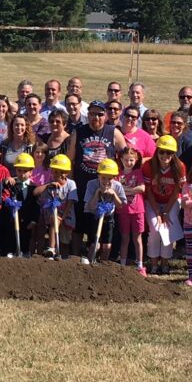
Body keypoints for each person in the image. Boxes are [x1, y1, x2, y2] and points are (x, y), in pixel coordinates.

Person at [71, 100, 126, 257]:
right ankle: (75, 258)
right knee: (80, 225)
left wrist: (117, 182)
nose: (96, 117)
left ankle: (102, 261)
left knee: (104, 227)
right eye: (93, 113)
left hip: (105, 187)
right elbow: (71, 159)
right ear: (87, 115)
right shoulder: (79, 132)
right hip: (82, 185)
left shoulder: (113, 132)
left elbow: (126, 157)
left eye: (100, 114)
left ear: (106, 115)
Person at [143, 134, 186, 275]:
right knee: (155, 228)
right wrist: (157, 212)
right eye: (162, 151)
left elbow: (176, 191)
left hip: (171, 201)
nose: (165, 155)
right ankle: (154, 264)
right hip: (153, 201)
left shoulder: (179, 167)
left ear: (174, 154)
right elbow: (148, 191)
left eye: (169, 152)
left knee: (167, 227)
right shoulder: (148, 166)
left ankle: (165, 263)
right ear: (157, 151)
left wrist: (166, 212)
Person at [82, 158, 126, 264]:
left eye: (109, 179)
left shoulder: (117, 186)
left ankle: (103, 267)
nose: (106, 181)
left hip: (109, 216)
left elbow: (120, 205)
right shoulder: (91, 184)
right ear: (98, 176)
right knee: (95, 245)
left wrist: (114, 194)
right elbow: (91, 207)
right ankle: (89, 263)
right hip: (94, 215)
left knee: (107, 246)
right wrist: (97, 193)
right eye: (103, 178)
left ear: (114, 178)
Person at [34, 154, 77, 260]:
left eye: (60, 172)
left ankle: (64, 257)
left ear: (66, 173)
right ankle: (51, 249)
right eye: (55, 171)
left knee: (65, 241)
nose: (57, 174)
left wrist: (63, 218)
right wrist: (48, 186)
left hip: (67, 216)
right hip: (52, 215)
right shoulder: (50, 184)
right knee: (54, 220)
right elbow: (35, 192)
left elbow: (70, 202)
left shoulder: (71, 184)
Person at [116, 146, 147, 275]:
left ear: (136, 160)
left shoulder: (138, 172)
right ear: (121, 160)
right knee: (124, 237)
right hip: (123, 210)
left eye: (131, 160)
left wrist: (126, 190)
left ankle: (140, 265)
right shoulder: (118, 174)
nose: (129, 163)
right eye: (126, 160)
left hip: (137, 209)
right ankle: (122, 263)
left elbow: (142, 188)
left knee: (137, 237)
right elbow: (116, 189)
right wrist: (130, 190)